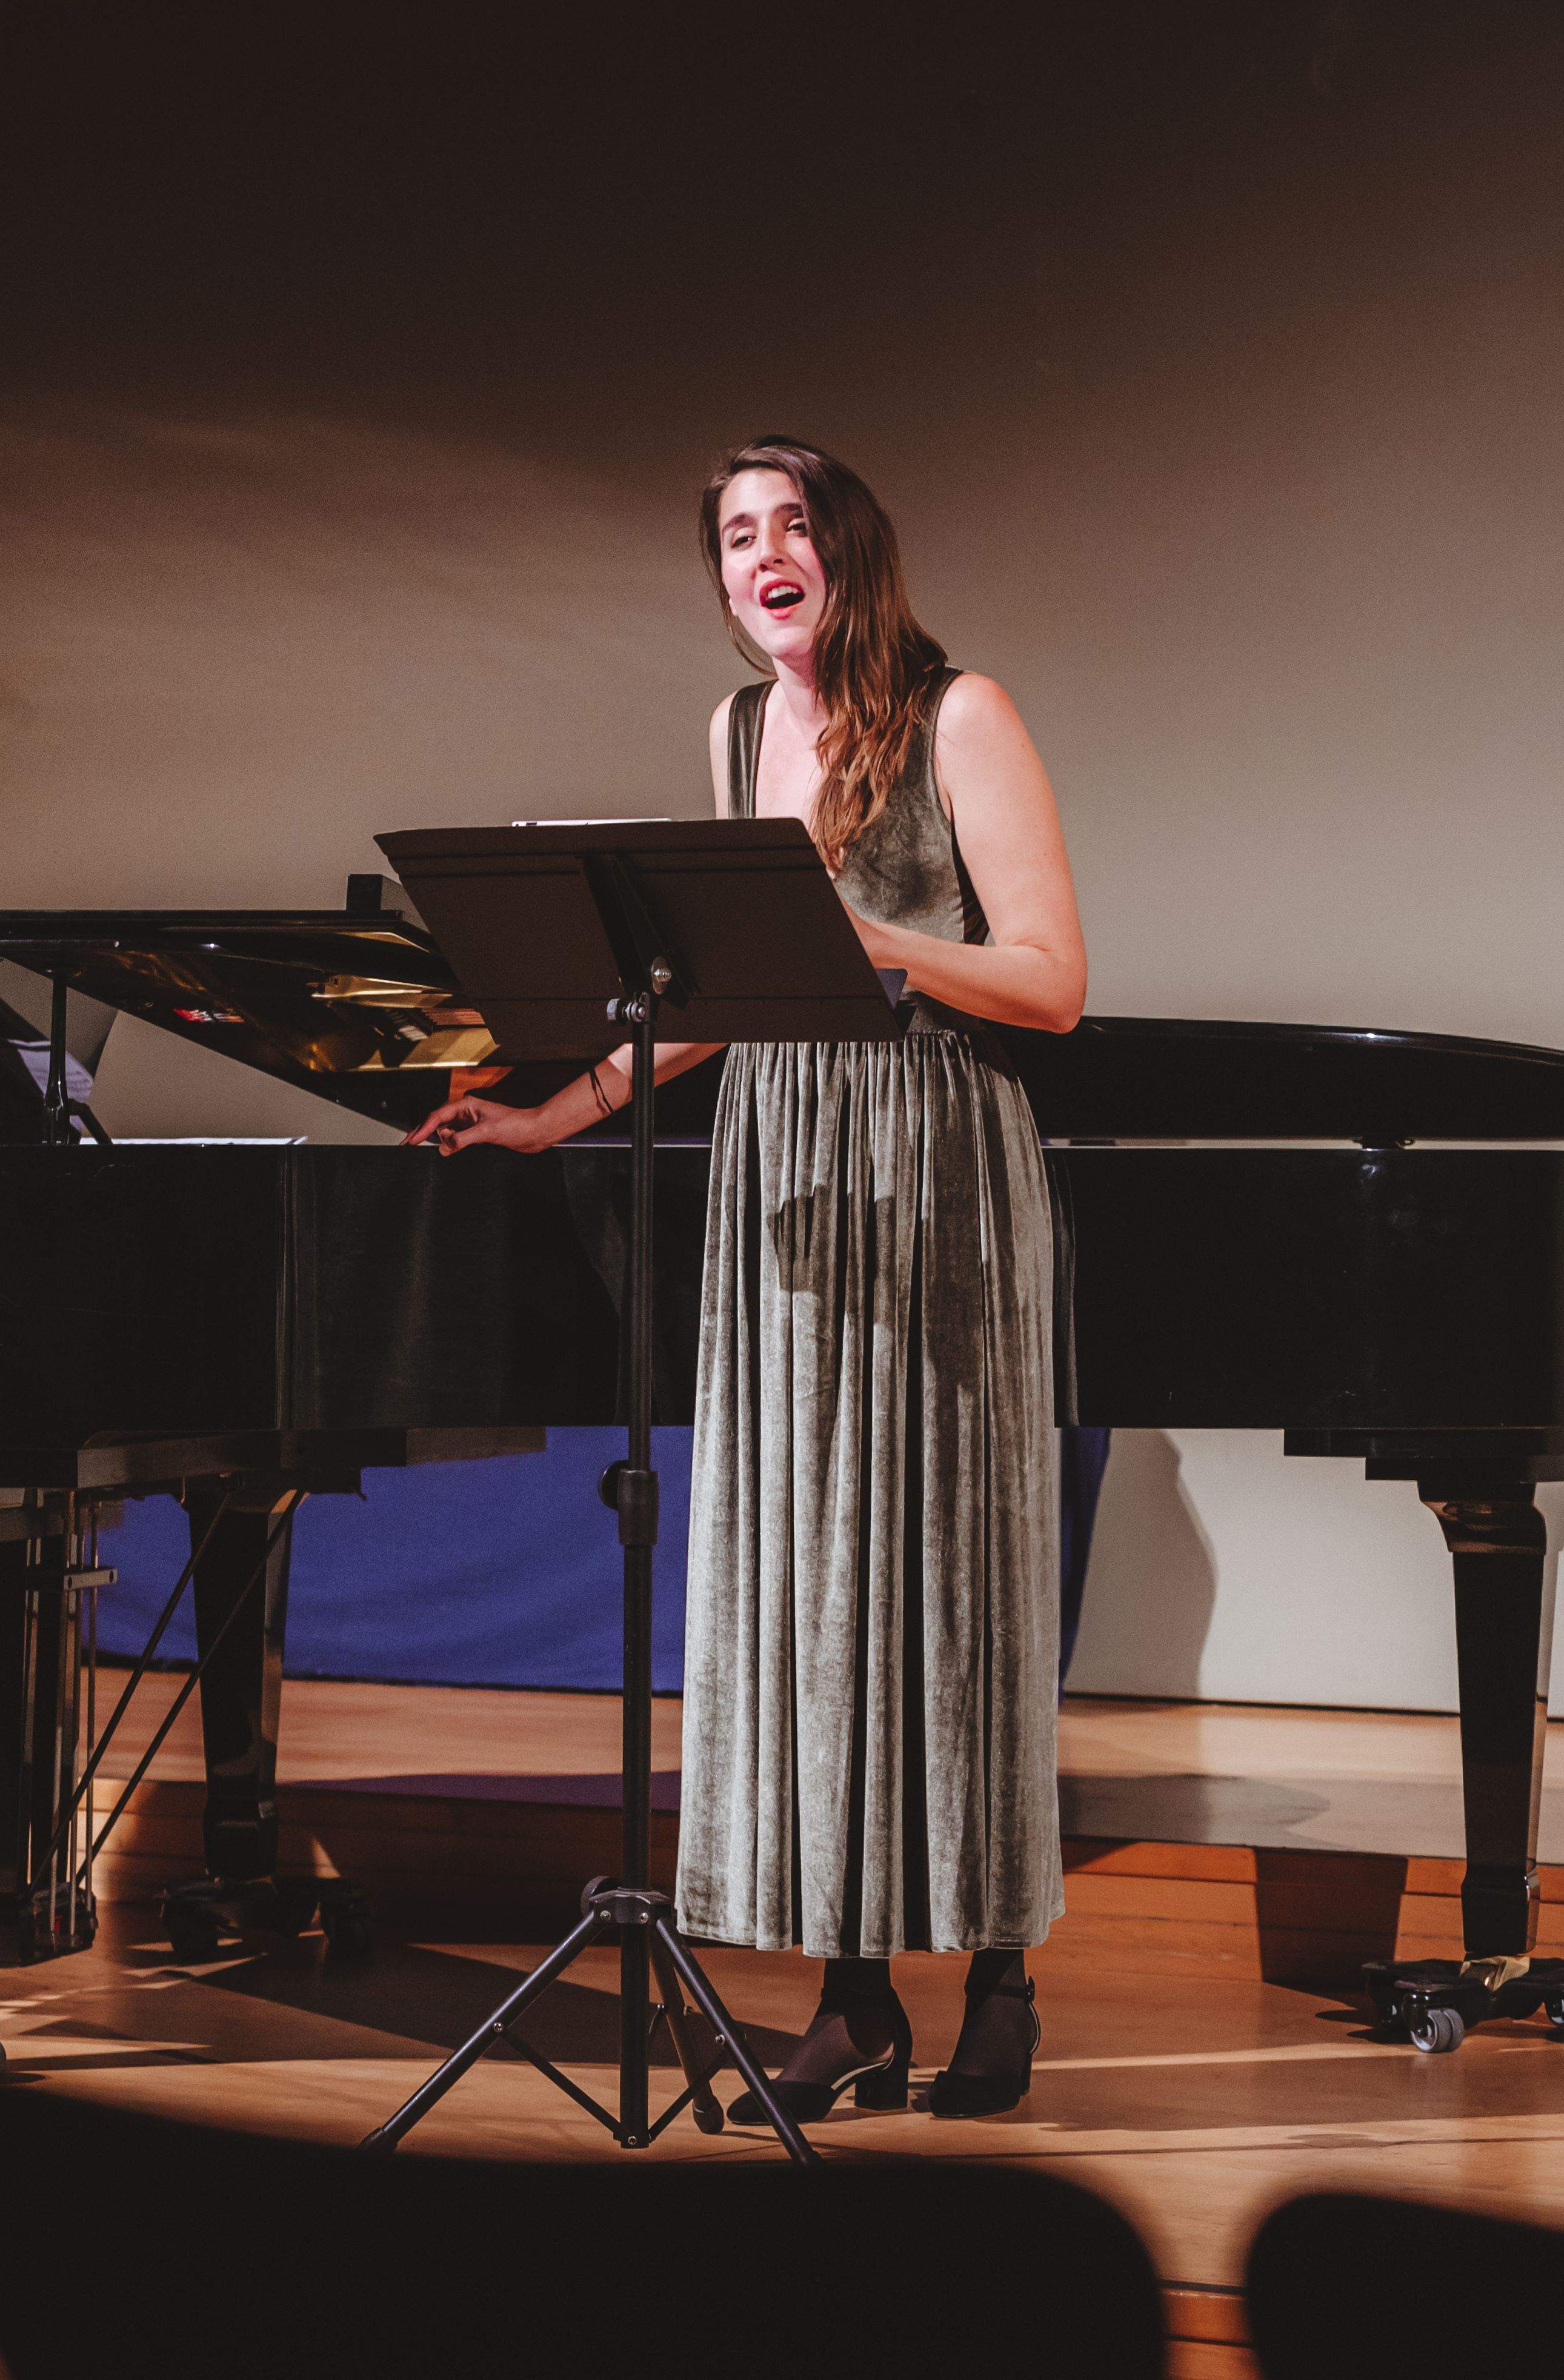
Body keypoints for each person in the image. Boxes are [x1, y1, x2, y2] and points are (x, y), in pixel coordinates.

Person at [408, 437, 1085, 2122]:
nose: (762, 553)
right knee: (815, 1576)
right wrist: (551, 1113)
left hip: (933, 1159)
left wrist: (882, 943)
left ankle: (997, 1976)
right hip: (779, 1165)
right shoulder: (731, 736)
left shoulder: (959, 714)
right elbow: (707, 995)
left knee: (949, 1566)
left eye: (791, 525)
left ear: (849, 552)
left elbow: (1053, 983)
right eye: (733, 535)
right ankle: (853, 1999)